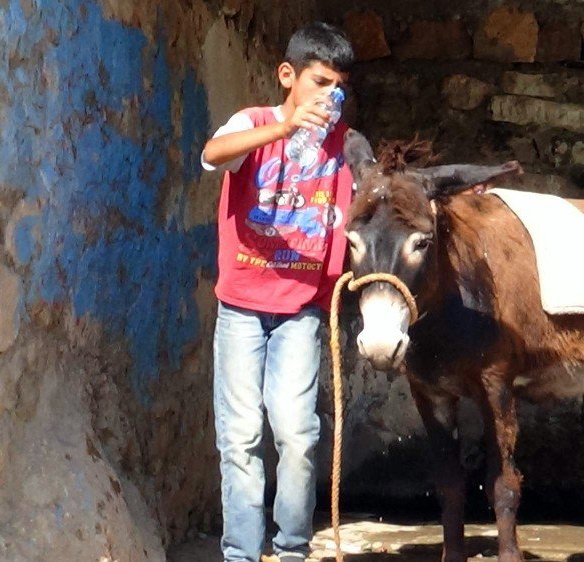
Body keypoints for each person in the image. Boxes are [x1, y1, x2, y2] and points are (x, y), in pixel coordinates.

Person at [200, 21, 356, 562]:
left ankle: (292, 550)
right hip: (241, 307)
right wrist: (284, 128)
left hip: (300, 311)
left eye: (338, 87)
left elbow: (373, 202)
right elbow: (213, 154)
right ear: (288, 76)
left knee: (296, 433)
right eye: (319, 82)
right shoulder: (255, 122)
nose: (328, 98)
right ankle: (242, 553)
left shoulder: (345, 146)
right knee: (240, 439)